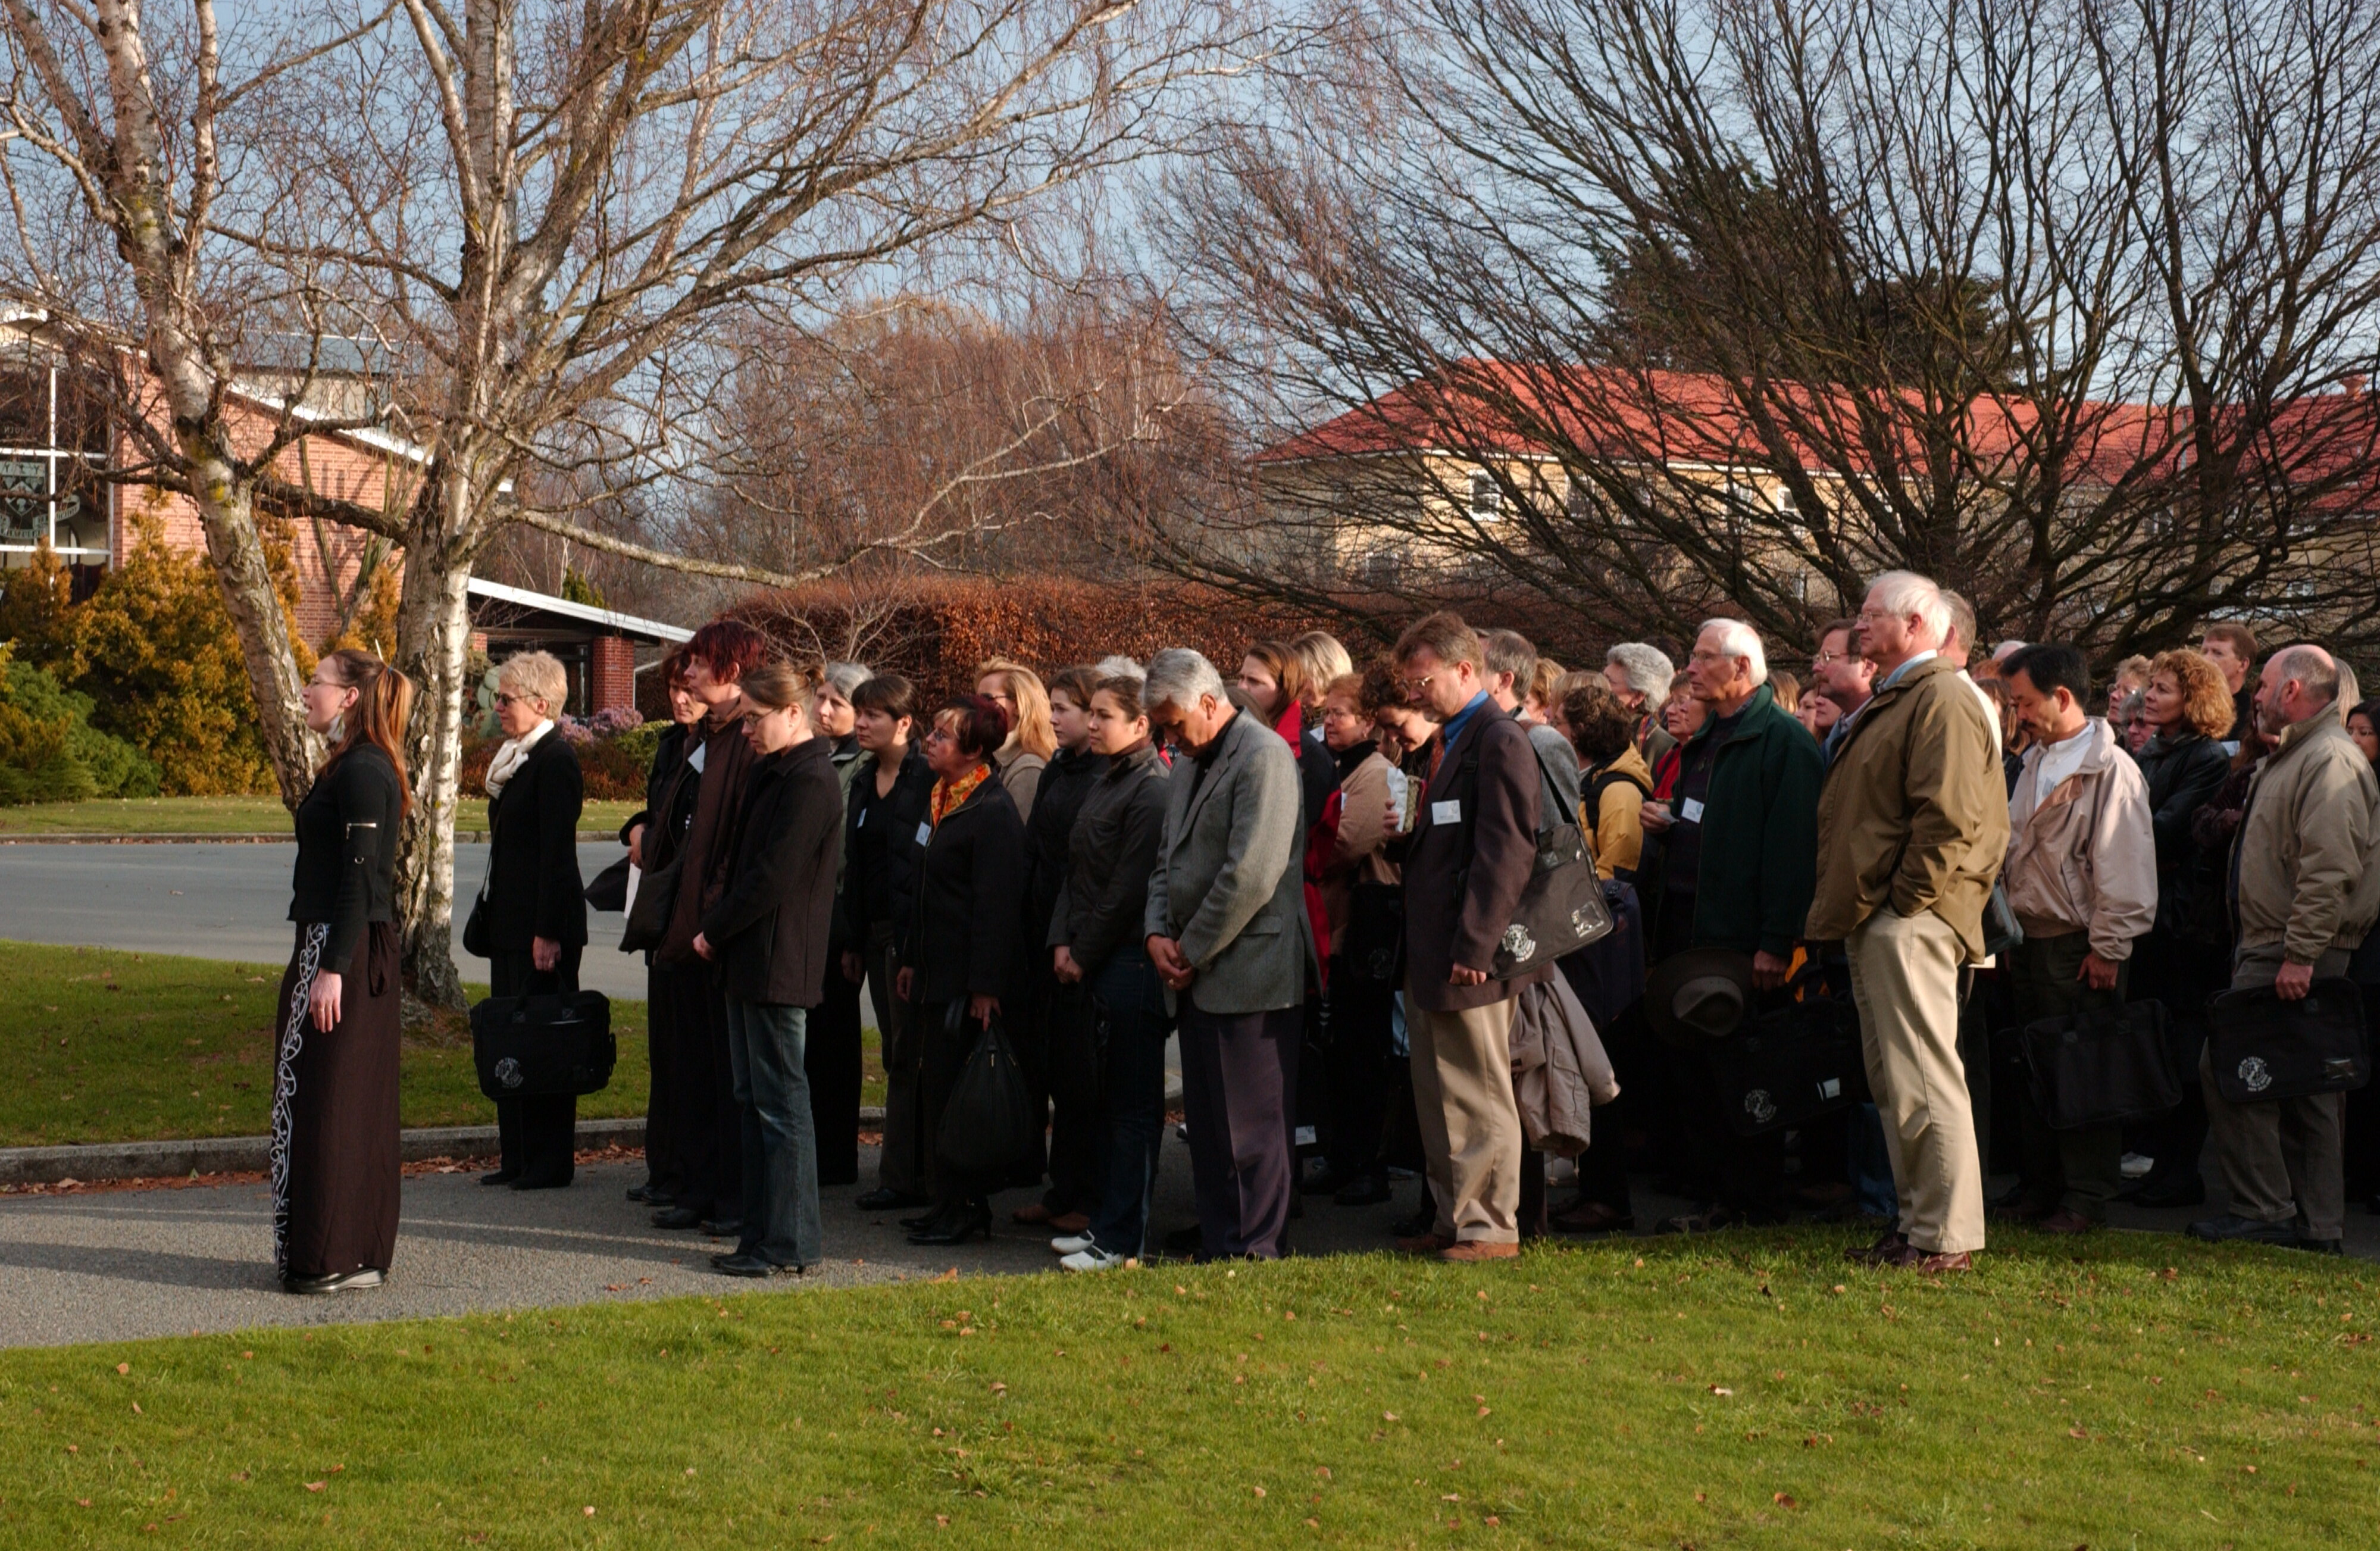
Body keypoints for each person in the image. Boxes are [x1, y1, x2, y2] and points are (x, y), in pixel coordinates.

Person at [1809, 571, 2009, 1274]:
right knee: (1898, 1078)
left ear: (1917, 626)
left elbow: (1950, 817)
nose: (1859, 626)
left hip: (1909, 917)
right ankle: (1921, 1224)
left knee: (1923, 1074)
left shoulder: (1942, 697)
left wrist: (1904, 902)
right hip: (1888, 915)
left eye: (1873, 615)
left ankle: (1945, 1234)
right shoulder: (1907, 695)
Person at [2190, 646, 2380, 1254]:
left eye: (2265, 683)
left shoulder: (2326, 760)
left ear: (2294, 690)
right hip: (2282, 944)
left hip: (2291, 949)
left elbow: (2331, 868)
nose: (2256, 695)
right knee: (2308, 1090)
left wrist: (2300, 952)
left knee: (2230, 1069)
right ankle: (2317, 1224)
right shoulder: (2299, 756)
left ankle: (2264, 1207)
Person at [1637, 619, 1823, 1233]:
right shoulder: (1702, 740)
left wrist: (1776, 941)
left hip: (1743, 944)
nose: (1689, 667)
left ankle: (1753, 1202)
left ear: (1741, 668)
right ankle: (1717, 1196)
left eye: (1702, 657)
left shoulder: (1784, 743)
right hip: (1689, 934)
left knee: (1747, 1075)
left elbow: (1792, 852)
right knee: (1698, 1075)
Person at [1389, 612, 1546, 1263]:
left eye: (1422, 679)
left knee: (1478, 1091)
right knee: (1438, 1090)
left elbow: (1507, 850)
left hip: (1468, 956)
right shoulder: (1449, 740)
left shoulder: (1498, 738)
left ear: (1464, 669)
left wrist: (1477, 945)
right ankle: (1455, 1217)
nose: (1414, 692)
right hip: (1434, 950)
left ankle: (1490, 1227)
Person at [1143, 648, 1307, 1260]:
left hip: (1250, 970)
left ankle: (1254, 1246)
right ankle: (1222, 1235)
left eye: (1175, 724)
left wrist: (1187, 946)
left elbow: (1252, 874)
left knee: (1253, 1128)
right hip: (1198, 966)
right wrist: (1155, 932)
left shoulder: (1264, 757)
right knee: (1212, 1124)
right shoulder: (1190, 759)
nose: (1170, 738)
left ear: (1210, 704)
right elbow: (1168, 858)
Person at [1993, 644, 2157, 1233]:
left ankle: (2085, 1196)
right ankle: (2044, 1186)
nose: (2019, 714)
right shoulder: (2038, 759)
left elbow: (2125, 865)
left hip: (2079, 943)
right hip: (2033, 939)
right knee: (2039, 1066)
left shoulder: (2111, 769)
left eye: (2026, 702)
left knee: (2084, 1069)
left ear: (2062, 697)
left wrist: (2109, 948)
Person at [692, 662, 845, 1277]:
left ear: (793, 713)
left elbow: (772, 877)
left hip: (779, 960)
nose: (747, 730)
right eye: (744, 718)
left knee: (782, 1104)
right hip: (751, 958)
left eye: (756, 718)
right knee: (755, 1099)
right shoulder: (774, 771)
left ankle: (789, 1243)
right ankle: (760, 1236)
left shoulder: (810, 780)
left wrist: (715, 926)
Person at [274, 649, 410, 1294]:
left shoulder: (363, 770)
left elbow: (360, 876)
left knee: (333, 1099)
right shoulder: (350, 765)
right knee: (326, 1097)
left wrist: (333, 967)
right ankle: (337, 1247)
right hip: (332, 943)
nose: (306, 690)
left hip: (343, 949)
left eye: (317, 681)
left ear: (350, 696)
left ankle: (338, 1250)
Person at [1047, 674, 1173, 1269]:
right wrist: (1060, 940)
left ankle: (1123, 1236)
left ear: (1142, 724)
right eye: (1090, 714)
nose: (1092, 724)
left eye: (1104, 715)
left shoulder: (1151, 788)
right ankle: (1106, 1226)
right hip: (1093, 956)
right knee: (1106, 1103)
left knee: (1131, 1107)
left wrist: (1083, 950)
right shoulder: (1107, 778)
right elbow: (1076, 867)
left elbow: (1127, 887)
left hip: (1127, 961)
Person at [651, 620, 770, 1236]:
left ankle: (731, 1195)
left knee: (730, 1077)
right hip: (687, 924)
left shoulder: (749, 742)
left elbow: (742, 845)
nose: (689, 675)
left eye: (700, 664)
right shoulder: (703, 737)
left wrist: (713, 919)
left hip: (717, 931)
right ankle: (697, 1187)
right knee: (694, 1067)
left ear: (732, 671)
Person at [900, 696, 1029, 1245]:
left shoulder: (992, 811)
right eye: (931, 734)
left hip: (966, 981)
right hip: (933, 970)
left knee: (961, 1093)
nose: (930, 743)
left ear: (975, 750)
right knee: (935, 1087)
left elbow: (997, 908)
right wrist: (909, 957)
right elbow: (921, 886)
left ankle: (969, 1206)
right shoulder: (939, 797)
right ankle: (945, 1199)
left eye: (943, 737)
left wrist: (984, 988)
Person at [2124, 648, 2240, 1208]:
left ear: (2193, 701)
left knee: (2181, 1041)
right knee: (2155, 1041)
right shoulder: (2152, 752)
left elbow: (2163, 829)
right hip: (2147, 908)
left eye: (2164, 689)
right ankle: (2159, 1166)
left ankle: (2180, 1170)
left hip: (2181, 917)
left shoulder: (2206, 757)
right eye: (2151, 687)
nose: (2150, 696)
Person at [477, 649, 589, 1192]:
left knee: (544, 1041)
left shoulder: (554, 760)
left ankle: (549, 1159)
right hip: (509, 927)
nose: (497, 706)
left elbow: (557, 857)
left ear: (541, 704)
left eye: (507, 698)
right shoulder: (515, 757)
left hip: (542, 930)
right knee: (510, 1039)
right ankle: (517, 1154)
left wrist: (548, 931)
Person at [1013, 665, 1108, 1231]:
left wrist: (1070, 941)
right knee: (1055, 1068)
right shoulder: (1057, 768)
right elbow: (1037, 850)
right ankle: (1061, 1188)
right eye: (1052, 708)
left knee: (1083, 1077)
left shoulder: (1103, 775)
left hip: (1080, 943)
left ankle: (1087, 1195)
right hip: (1044, 932)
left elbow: (1089, 868)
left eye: (1065, 709)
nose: (1055, 718)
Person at [840, 675, 937, 1214]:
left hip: (910, 939)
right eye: (859, 713)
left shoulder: (925, 777)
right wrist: (853, 939)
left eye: (873, 715)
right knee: (896, 1052)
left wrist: (913, 946)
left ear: (904, 722)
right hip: (874, 936)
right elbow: (859, 867)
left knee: (910, 1057)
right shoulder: (861, 780)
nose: (861, 723)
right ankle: (904, 1174)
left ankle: (909, 1177)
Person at [1306, 668, 1402, 1206]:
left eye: (1339, 713)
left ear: (1368, 720)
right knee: (1339, 1053)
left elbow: (1341, 845)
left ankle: (1368, 1165)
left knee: (1364, 1052)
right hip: (1337, 925)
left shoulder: (1374, 772)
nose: (1329, 721)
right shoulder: (1340, 767)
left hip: (1361, 929)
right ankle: (1343, 1157)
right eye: (1326, 713)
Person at [621, 653, 705, 1208]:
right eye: (673, 689)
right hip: (659, 907)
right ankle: (664, 1165)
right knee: (663, 1049)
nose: (679, 700)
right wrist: (636, 828)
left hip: (688, 909)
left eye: (688, 690)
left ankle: (686, 1171)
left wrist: (653, 840)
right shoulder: (671, 746)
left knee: (689, 1049)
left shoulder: (716, 751)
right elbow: (655, 809)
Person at [808, 662, 871, 1187]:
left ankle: (835, 1155)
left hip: (838, 917)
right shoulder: (819, 754)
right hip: (812, 915)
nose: (823, 709)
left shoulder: (861, 763)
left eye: (837, 703)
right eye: (821, 698)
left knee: (834, 1041)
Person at [1560, 678, 1652, 882]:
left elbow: (1615, 876)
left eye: (1557, 723)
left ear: (1579, 731)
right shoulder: (1584, 778)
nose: (1550, 728)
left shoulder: (1620, 794)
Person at [975, 658, 1056, 822]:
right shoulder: (996, 759)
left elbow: (1013, 842)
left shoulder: (1028, 769)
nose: (978, 708)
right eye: (976, 700)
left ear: (1018, 705)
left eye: (987, 699)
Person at [1810, 617, 1875, 767]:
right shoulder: (1836, 736)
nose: (1817, 668)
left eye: (1827, 657)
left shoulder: (1884, 730)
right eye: (1818, 659)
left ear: (1868, 666)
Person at [1604, 642, 1678, 767]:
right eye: (1602, 677)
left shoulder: (1662, 749)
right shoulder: (1594, 730)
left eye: (1609, 681)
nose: (1599, 685)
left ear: (1638, 697)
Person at [2200, 622, 2259, 745]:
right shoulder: (2185, 706)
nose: (2206, 659)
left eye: (2217, 653)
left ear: (2243, 665)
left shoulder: (2253, 716)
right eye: (2204, 652)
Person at [1649, 671, 1706, 797]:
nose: (1669, 711)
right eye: (1672, 702)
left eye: (1682, 702)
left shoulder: (1707, 760)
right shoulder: (1670, 758)